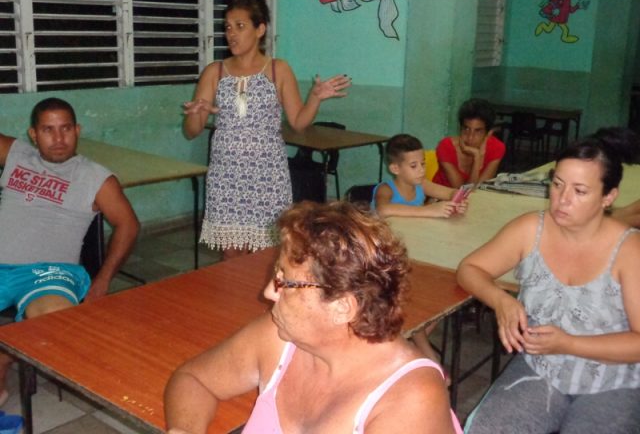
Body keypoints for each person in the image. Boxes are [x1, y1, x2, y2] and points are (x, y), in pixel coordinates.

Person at [164, 201, 463, 434]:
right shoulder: (280, 337)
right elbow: (194, 379)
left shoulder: (409, 399)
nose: (269, 292)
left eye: (285, 282)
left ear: (342, 306)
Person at [457, 134, 640, 433]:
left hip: (613, 380)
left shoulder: (630, 250)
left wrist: (569, 344)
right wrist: (501, 300)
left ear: (608, 197)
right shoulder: (531, 228)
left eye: (580, 191)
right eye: (557, 184)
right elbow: (470, 268)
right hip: (540, 368)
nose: (562, 199)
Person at [182, 0, 350, 261]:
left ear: (260, 29)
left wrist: (316, 98)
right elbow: (192, 132)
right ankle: (233, 304)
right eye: (227, 27)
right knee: (232, 255)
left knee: (267, 255)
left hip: (267, 175)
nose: (231, 34)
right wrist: (195, 113)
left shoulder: (277, 69)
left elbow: (298, 122)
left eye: (240, 26)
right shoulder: (215, 71)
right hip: (227, 176)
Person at [0, 97, 139, 403]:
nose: (59, 138)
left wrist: (102, 280)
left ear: (78, 130)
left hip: (51, 274)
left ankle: (5, 355)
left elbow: (128, 225)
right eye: (48, 130)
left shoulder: (96, 177)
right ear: (33, 134)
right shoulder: (16, 154)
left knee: (56, 324)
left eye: (65, 129)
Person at [372, 133, 468, 369]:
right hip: (387, 261)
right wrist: (431, 211)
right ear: (395, 168)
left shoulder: (421, 185)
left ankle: (410, 342)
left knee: (435, 300)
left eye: (423, 163)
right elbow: (384, 210)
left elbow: (450, 193)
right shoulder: (386, 188)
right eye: (414, 166)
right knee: (418, 304)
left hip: (417, 251)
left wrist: (458, 201)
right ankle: (427, 357)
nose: (421, 170)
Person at [432, 99, 506, 188]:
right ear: (460, 128)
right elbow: (462, 191)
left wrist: (476, 158)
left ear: (489, 134)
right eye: (466, 129)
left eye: (477, 131)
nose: (470, 137)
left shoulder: (496, 148)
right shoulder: (446, 147)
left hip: (473, 199)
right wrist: (477, 157)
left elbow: (478, 189)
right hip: (440, 198)